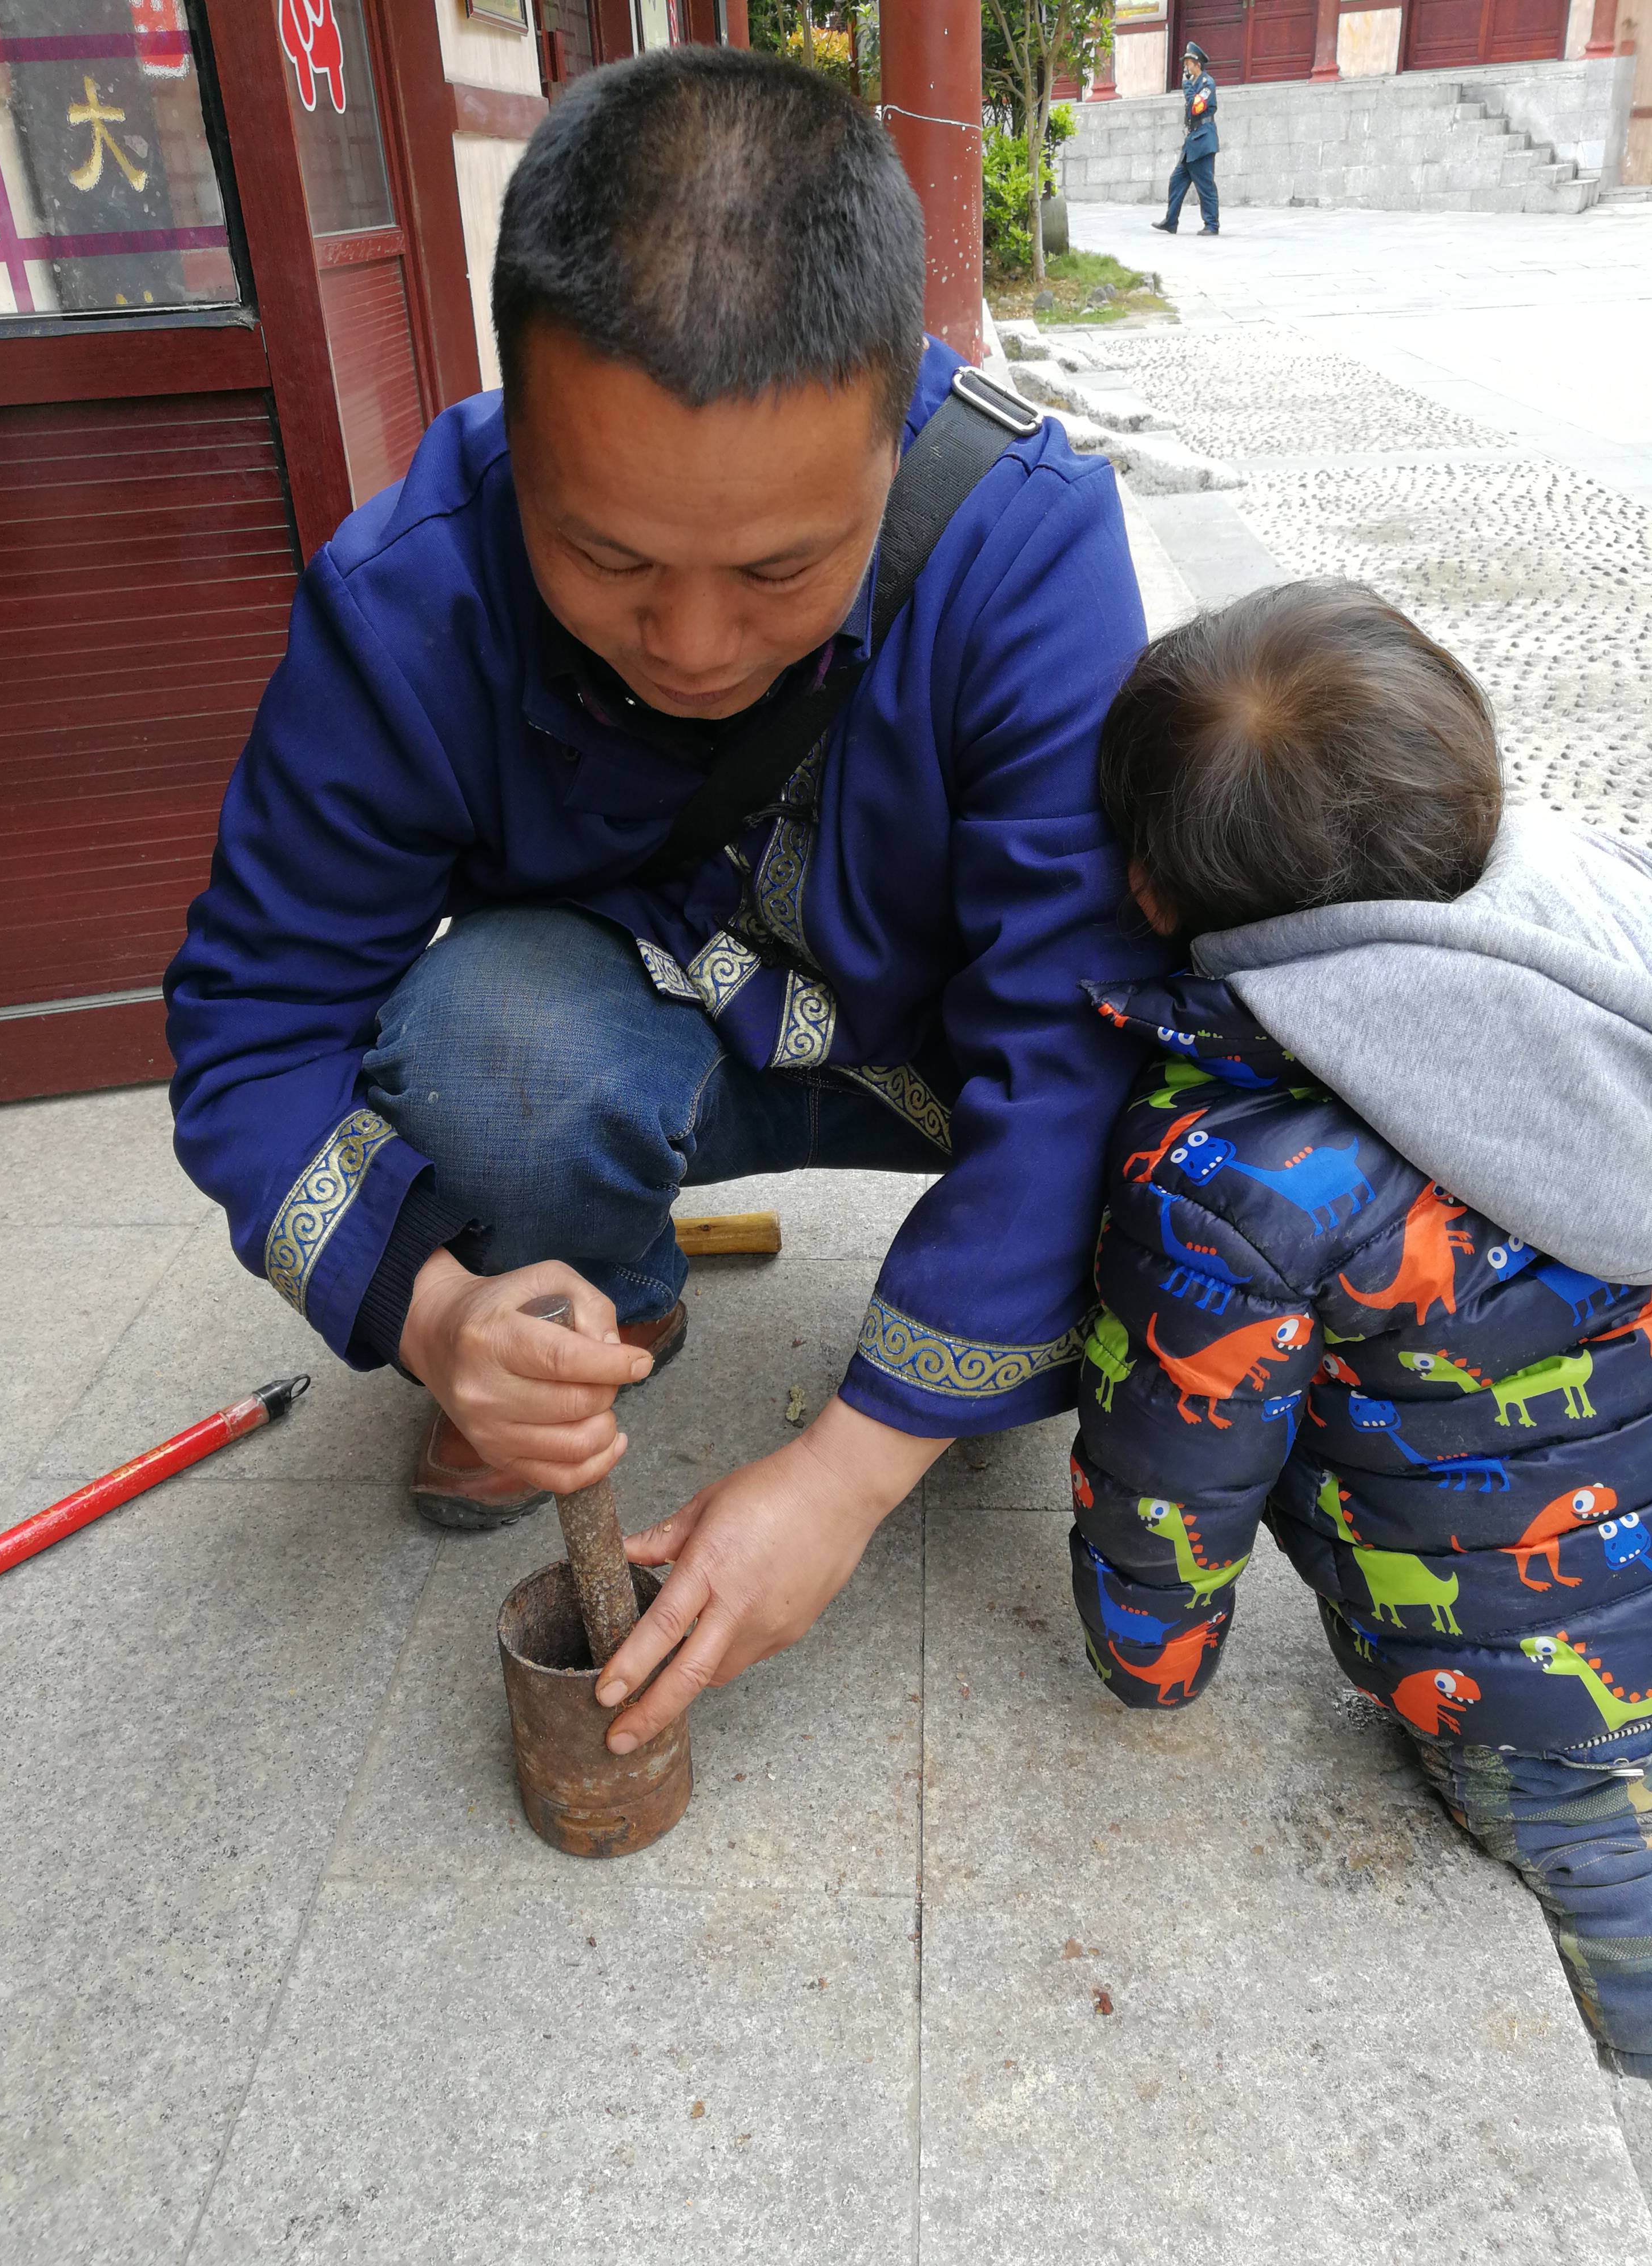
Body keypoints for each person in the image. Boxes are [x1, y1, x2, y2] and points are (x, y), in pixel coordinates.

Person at [165, 47, 1167, 1761]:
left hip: (945, 1052)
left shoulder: (1021, 540)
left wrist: (847, 1471)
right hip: (639, 1030)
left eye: (781, 567)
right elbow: (251, 1029)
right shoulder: (407, 597)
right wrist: (431, 1308)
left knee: (1151, 1141)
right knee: (489, 1053)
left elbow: (1076, 1052)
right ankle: (599, 1299)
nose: (693, 647)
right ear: (514, 431)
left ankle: (973, 1331)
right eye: (606, 559)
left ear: (894, 415)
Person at [1070, 580, 1652, 2074]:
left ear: (1148, 891)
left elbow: (1173, 1470)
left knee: (1616, 1878)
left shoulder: (1238, 1173)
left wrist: (1153, 1657)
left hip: (1538, 1693)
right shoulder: (1612, 936)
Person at [1153, 41, 1219, 238]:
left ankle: (1212, 225)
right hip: (1192, 143)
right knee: (1177, 180)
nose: (1185, 67)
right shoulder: (1195, 84)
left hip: (1203, 141)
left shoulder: (1208, 84)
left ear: (1197, 64)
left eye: (1188, 63)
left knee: (1205, 185)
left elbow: (1195, 108)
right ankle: (1171, 221)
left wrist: (1187, 87)